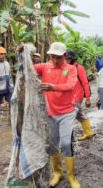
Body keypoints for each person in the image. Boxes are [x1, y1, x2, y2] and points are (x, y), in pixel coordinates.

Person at [19, 42, 81, 188]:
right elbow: (28, 69)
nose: (54, 60)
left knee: (66, 143)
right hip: (50, 113)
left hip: (67, 112)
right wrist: (23, 53)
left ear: (65, 56)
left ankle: (71, 176)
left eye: (58, 57)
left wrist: (54, 87)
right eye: (52, 57)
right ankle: (58, 173)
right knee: (52, 144)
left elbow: (71, 86)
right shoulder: (45, 67)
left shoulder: (71, 69)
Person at [66, 51, 93, 141]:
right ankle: (88, 132)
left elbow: (85, 83)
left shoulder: (79, 68)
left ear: (73, 59)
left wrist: (88, 98)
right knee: (79, 114)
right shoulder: (66, 68)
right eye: (65, 59)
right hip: (69, 96)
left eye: (68, 59)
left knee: (70, 116)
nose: (66, 60)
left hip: (77, 96)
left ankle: (69, 137)